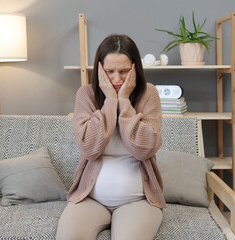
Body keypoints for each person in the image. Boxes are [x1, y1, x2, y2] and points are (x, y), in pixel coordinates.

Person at [56, 34, 165, 240]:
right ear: (99, 70)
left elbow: (145, 148)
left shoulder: (148, 93)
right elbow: (89, 148)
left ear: (135, 68)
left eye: (124, 71)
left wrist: (124, 101)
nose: (116, 79)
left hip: (138, 201)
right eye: (110, 72)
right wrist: (109, 102)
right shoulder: (86, 95)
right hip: (91, 200)